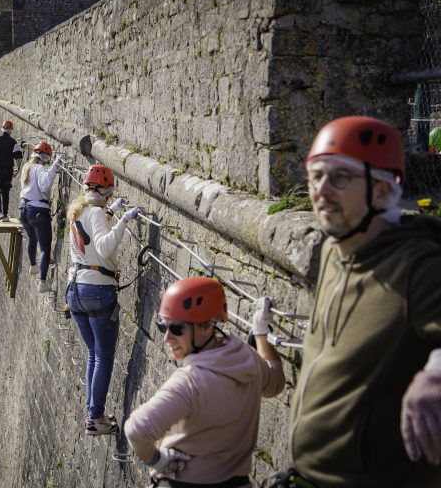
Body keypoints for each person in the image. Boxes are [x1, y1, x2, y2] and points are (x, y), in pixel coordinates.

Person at [282, 116, 441, 487]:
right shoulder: (336, 252)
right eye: (315, 176)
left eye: (340, 177)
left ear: (383, 191)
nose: (321, 189)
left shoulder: (417, 264)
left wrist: (437, 374)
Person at [124, 278, 285, 487]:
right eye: (162, 327)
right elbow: (275, 383)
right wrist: (261, 334)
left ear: (206, 327)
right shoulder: (249, 358)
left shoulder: (190, 382)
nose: (166, 338)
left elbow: (136, 431)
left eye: (177, 329)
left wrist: (160, 461)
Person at [66, 163, 142, 435]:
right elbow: (105, 246)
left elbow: (91, 234)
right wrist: (123, 219)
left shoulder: (80, 211)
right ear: (105, 191)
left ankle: (92, 414)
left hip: (75, 290)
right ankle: (95, 417)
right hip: (97, 291)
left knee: (93, 354)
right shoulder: (97, 212)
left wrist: (111, 212)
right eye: (110, 195)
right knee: (104, 356)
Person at [18, 141, 62, 293]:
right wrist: (55, 164)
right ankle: (42, 282)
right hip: (37, 210)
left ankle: (33, 266)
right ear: (45, 157)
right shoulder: (39, 168)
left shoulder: (26, 167)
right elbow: (45, 185)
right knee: (45, 249)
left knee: (32, 239)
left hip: (23, 209)